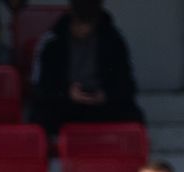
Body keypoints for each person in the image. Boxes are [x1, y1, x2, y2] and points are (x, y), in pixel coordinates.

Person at [29, 0, 143, 134]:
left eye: (88, 24)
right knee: (40, 115)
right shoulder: (52, 42)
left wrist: (106, 94)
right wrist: (67, 93)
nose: (83, 29)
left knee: (131, 115)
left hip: (102, 105)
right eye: (78, 23)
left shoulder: (112, 40)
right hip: (65, 104)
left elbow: (127, 83)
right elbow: (40, 86)